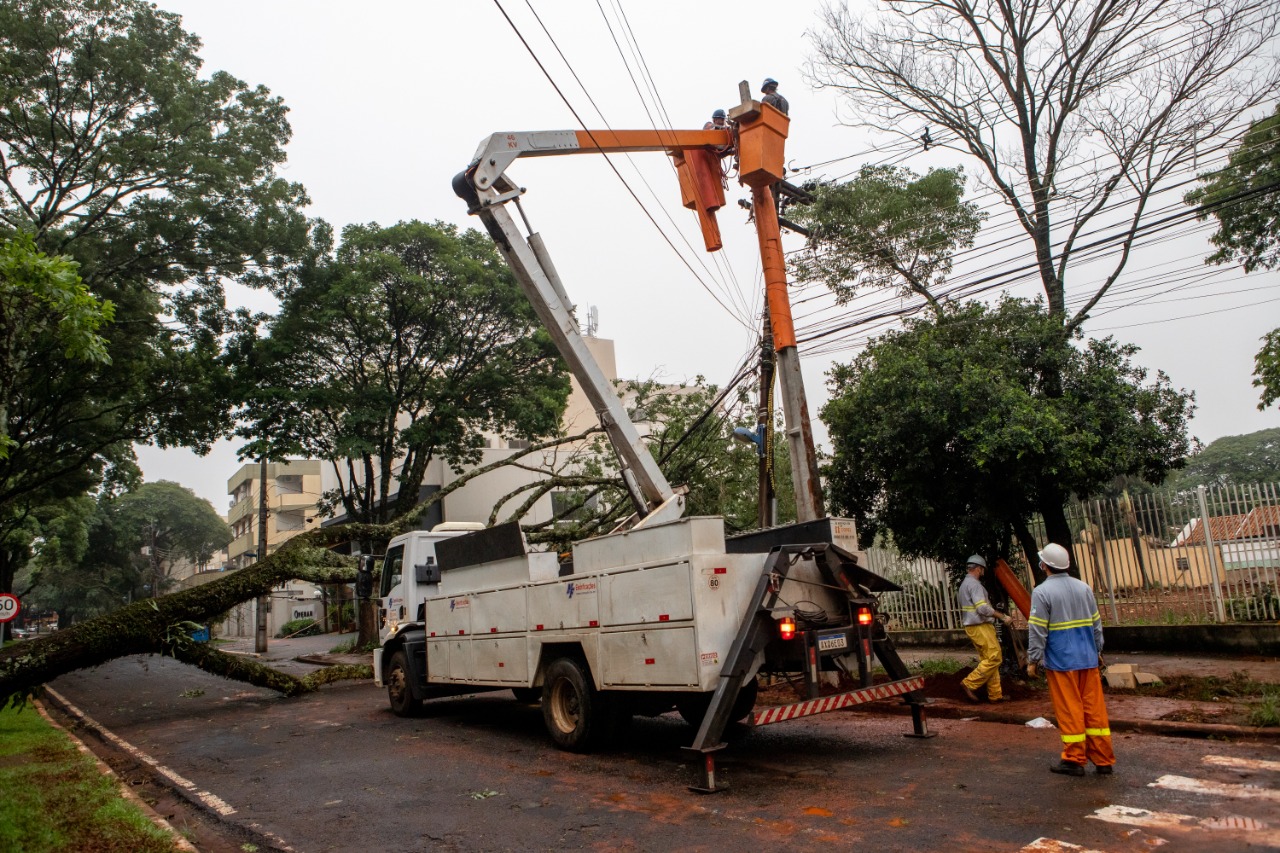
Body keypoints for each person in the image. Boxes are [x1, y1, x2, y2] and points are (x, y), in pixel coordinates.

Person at [1026, 543, 1116, 777]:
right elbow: (1096, 624)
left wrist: (1033, 660)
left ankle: (1074, 759)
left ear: (1044, 565)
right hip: (1088, 658)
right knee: (1094, 710)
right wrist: (1098, 650)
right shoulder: (1084, 588)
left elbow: (1037, 630)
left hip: (1061, 662)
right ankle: (1103, 760)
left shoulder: (1042, 592)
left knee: (1070, 709)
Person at [958, 555, 1012, 703]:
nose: (983, 572)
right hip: (980, 626)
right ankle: (969, 683)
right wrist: (1002, 616)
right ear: (978, 568)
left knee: (989, 660)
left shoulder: (964, 585)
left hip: (974, 627)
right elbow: (982, 608)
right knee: (995, 657)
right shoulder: (974, 585)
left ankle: (995, 695)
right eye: (982, 569)